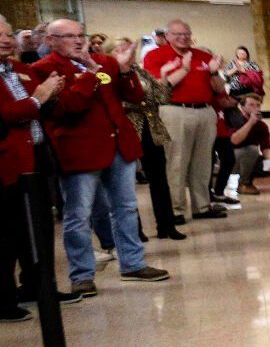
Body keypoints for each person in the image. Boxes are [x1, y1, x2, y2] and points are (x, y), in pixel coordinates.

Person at [29, 19, 170, 296]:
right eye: (69, 36)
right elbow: (68, 107)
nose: (79, 41)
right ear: (51, 40)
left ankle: (132, 263)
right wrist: (92, 75)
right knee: (78, 215)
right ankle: (82, 274)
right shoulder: (43, 70)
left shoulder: (105, 60)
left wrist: (127, 69)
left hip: (119, 144)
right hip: (80, 150)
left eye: (81, 35)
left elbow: (134, 95)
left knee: (126, 208)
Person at [1, 17, 68, 322]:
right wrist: (39, 97)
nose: (6, 39)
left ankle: (38, 286)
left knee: (39, 229)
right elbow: (8, 113)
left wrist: (51, 95)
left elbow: (39, 107)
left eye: (7, 34)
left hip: (37, 157)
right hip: (7, 162)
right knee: (8, 234)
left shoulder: (21, 69)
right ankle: (4, 298)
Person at [143, 18, 224, 222]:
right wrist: (184, 69)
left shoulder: (203, 56)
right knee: (176, 161)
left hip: (204, 111)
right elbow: (160, 87)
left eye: (187, 34)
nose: (183, 38)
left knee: (203, 162)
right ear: (168, 36)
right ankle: (176, 209)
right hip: (174, 111)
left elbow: (219, 88)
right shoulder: (156, 56)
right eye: (178, 34)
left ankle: (202, 206)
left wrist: (214, 71)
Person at [111, 38, 183, 240]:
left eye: (130, 49)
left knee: (160, 179)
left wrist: (165, 76)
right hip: (127, 129)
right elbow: (122, 101)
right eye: (122, 49)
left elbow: (163, 97)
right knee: (127, 184)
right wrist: (141, 102)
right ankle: (135, 230)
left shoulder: (140, 71)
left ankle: (166, 225)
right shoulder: (108, 74)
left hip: (151, 128)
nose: (128, 53)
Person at [227, 91, 270, 194]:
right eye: (251, 105)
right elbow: (234, 140)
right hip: (231, 157)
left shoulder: (261, 126)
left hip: (247, 158)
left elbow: (266, 147)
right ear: (243, 107)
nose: (256, 108)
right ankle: (244, 183)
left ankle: (249, 180)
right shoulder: (235, 120)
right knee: (252, 149)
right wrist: (250, 123)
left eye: (258, 105)